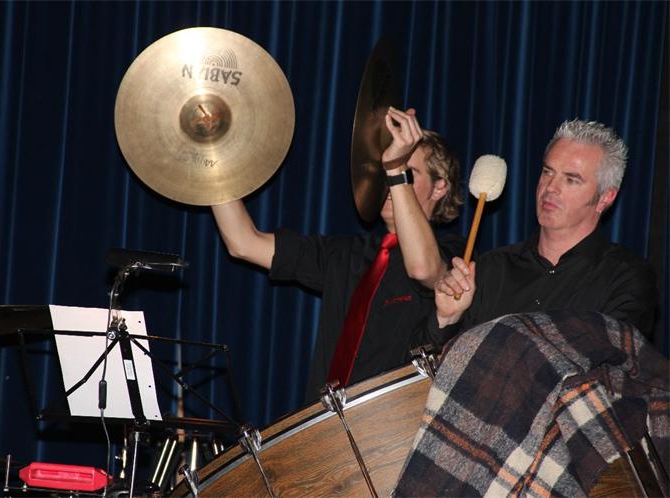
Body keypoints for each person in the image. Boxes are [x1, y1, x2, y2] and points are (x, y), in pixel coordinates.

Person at [212, 107, 465, 401]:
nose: (389, 182)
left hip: (394, 423)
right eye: (385, 170)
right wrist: (212, 157)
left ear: (439, 187)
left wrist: (395, 168)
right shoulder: (346, 253)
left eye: (408, 172)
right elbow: (243, 243)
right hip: (327, 420)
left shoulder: (453, 253)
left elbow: (423, 269)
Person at [432, 119, 658, 344]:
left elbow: (612, 359)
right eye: (548, 172)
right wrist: (447, 319)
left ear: (605, 198)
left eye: (571, 180)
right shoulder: (491, 268)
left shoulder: (625, 278)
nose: (550, 188)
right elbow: (431, 358)